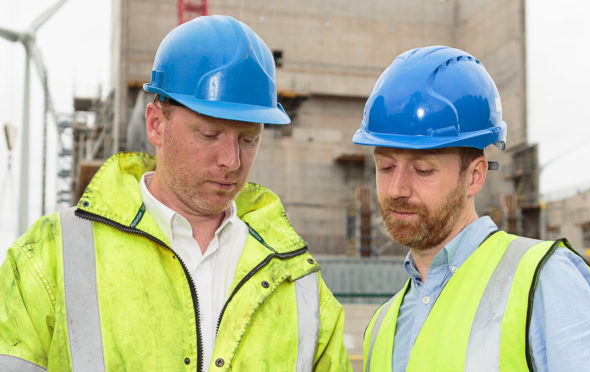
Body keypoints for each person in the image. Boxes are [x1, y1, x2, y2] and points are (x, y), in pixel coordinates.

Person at [0, 15, 352, 371]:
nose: (232, 161)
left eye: (249, 139)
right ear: (156, 123)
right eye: (209, 135)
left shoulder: (297, 278)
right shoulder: (52, 255)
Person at [354, 46, 590, 371]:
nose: (397, 189)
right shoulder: (382, 326)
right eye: (385, 167)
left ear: (475, 176)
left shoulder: (545, 282)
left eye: (423, 170)